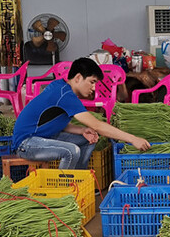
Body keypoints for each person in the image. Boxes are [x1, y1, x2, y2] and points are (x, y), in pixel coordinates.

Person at [12, 57, 150, 169]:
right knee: (72, 151)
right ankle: (64, 191)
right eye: (92, 82)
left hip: (45, 136)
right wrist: (133, 139)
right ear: (78, 78)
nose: (94, 88)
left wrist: (83, 130)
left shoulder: (62, 87)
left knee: (89, 138)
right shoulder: (65, 95)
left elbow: (57, 123)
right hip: (27, 144)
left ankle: (79, 179)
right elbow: (98, 125)